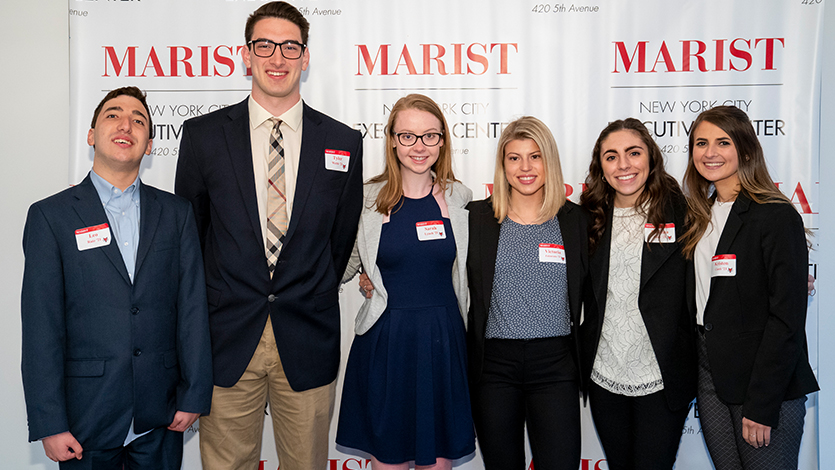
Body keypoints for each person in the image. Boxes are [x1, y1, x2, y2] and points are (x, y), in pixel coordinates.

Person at [174, 2, 363, 468]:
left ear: (305, 57)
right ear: (246, 55)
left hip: (309, 334)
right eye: (265, 45)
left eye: (290, 46)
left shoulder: (343, 141)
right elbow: (192, 237)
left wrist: (309, 287)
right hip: (226, 337)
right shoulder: (202, 137)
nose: (277, 57)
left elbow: (339, 242)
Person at [21, 86, 213, 469]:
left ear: (150, 144)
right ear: (91, 136)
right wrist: (49, 422)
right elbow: (42, 326)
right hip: (83, 420)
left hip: (160, 415)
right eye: (113, 115)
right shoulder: (51, 217)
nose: (126, 124)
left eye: (139, 120)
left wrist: (194, 395)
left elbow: (192, 307)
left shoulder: (177, 214)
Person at [336, 94, 475, 469]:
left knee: (439, 462)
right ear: (392, 140)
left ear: (443, 141)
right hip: (386, 343)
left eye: (430, 136)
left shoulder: (460, 198)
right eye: (408, 136)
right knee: (389, 460)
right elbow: (343, 264)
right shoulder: (366, 199)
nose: (419, 146)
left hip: (444, 343)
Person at [681, 105, 819, 469]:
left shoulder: (774, 214)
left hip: (763, 383)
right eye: (700, 143)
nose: (710, 152)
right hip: (711, 379)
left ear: (744, 149)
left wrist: (762, 403)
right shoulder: (698, 216)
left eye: (722, 142)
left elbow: (786, 319)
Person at [466, 116, 587, 470]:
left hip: (555, 364)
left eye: (535, 156)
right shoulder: (478, 218)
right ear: (502, 166)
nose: (525, 167)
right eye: (514, 158)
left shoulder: (574, 220)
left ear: (549, 161)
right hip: (494, 366)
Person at [579, 118, 696, 469]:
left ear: (651, 158)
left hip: (662, 374)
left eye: (633, 153)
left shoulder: (683, 212)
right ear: (601, 166)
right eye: (611, 156)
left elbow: (716, 259)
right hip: (605, 372)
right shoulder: (589, 216)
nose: (624, 165)